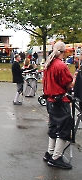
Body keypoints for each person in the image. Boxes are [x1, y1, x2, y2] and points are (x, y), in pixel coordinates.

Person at [42, 41, 75, 169]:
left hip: (50, 101)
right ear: (64, 51)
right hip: (59, 101)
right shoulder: (60, 66)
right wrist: (75, 78)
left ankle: (50, 153)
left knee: (54, 126)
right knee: (64, 128)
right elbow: (69, 84)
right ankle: (56, 157)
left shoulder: (48, 64)